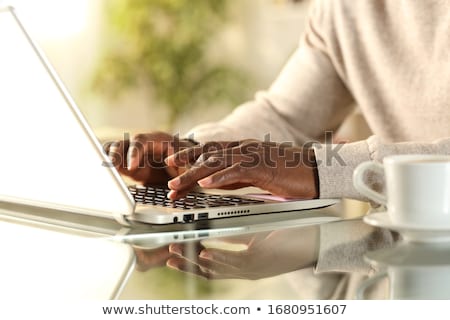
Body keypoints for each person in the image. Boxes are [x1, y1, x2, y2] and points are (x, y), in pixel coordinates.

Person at [107, 0, 449, 287]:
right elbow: (284, 116)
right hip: (400, 263)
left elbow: (306, 160)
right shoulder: (344, 9)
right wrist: (187, 156)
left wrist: (317, 168)